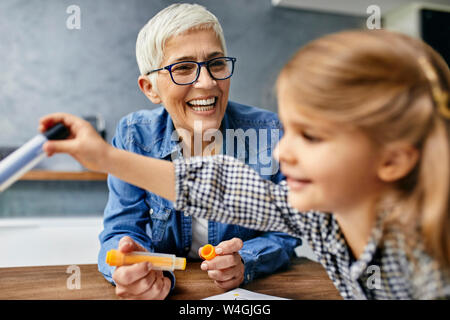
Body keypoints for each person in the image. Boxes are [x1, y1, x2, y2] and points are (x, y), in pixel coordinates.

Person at [40, 29, 450, 299]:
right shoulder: (319, 221)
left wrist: (247, 262)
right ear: (149, 86)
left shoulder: (421, 262)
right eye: (289, 131)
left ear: (393, 160)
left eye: (310, 137)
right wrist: (104, 158)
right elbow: (221, 188)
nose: (282, 152)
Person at [84, 3, 299, 300]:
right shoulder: (134, 135)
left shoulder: (268, 131)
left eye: (217, 64)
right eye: (183, 68)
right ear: (150, 88)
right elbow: (121, 231)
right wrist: (130, 269)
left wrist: (246, 260)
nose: (207, 82)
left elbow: (288, 230)